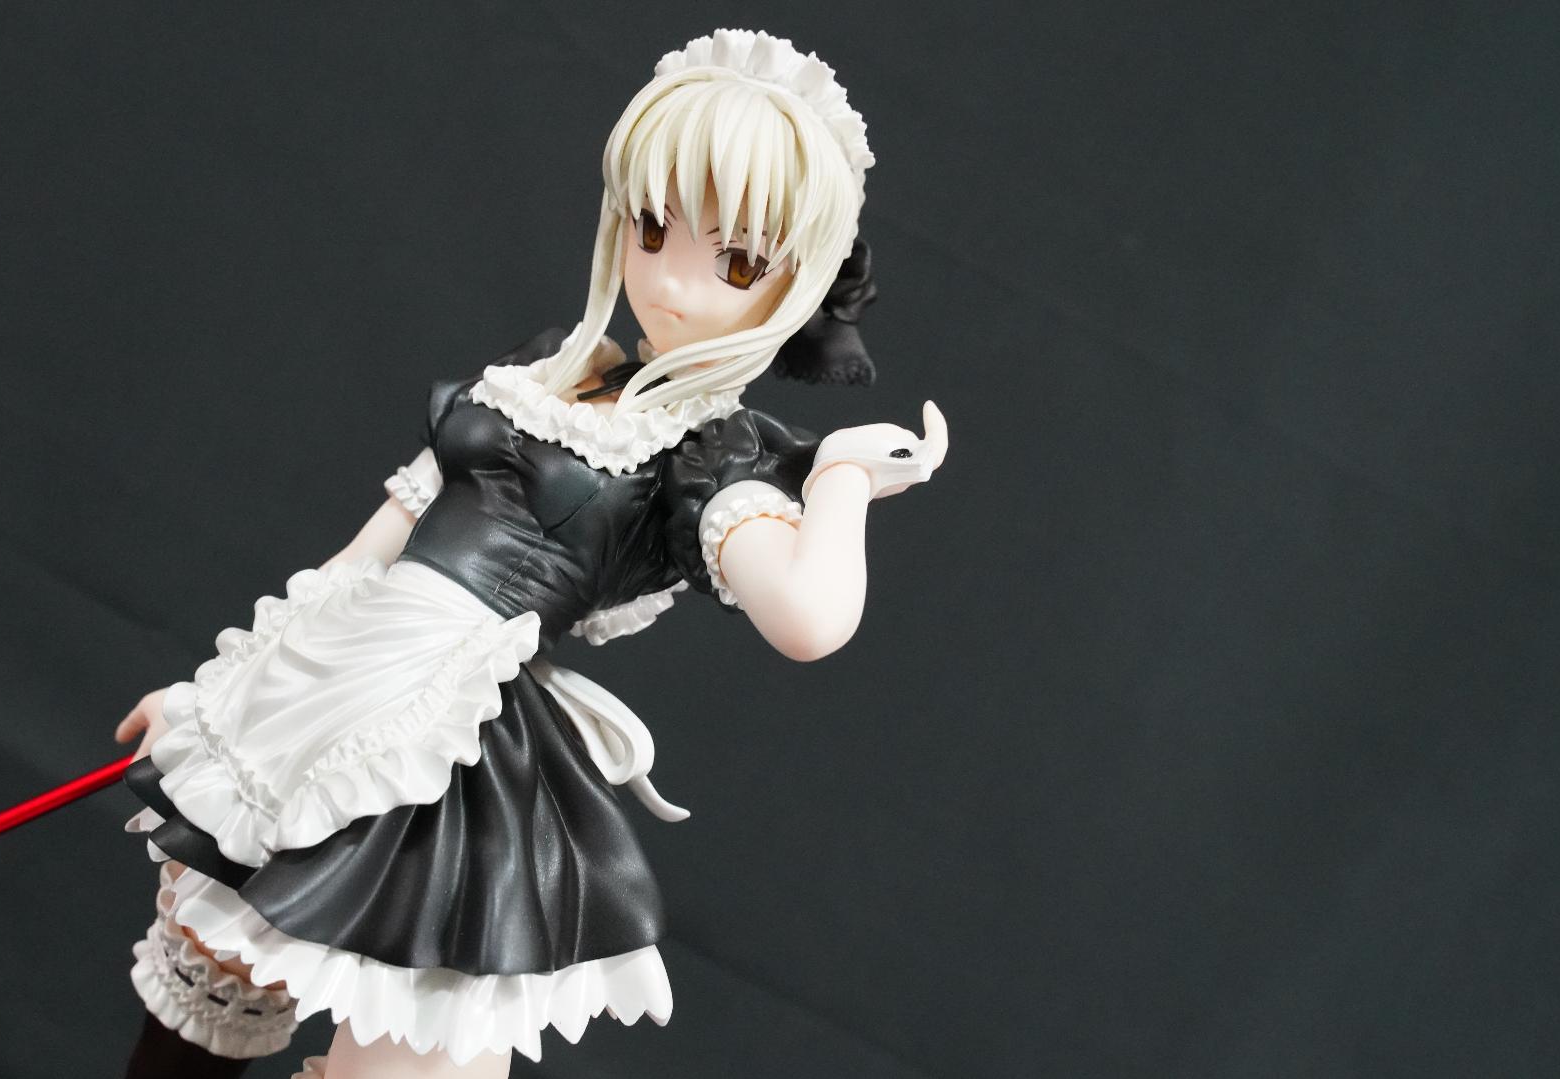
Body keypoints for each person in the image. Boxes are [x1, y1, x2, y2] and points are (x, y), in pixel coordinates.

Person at [112, 28, 950, 1079]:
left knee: (406, 1045)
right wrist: (220, 691)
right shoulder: (552, 369)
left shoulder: (712, 454)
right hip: (331, 685)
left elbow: (808, 618)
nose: (675, 283)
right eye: (654, 228)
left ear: (799, 278)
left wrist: (839, 479)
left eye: (736, 261)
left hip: (449, 751)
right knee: (209, 970)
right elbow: (376, 549)